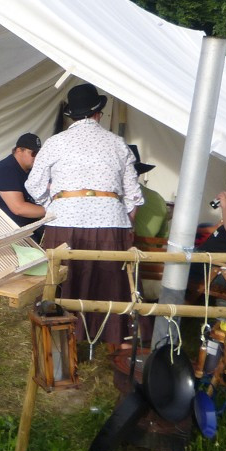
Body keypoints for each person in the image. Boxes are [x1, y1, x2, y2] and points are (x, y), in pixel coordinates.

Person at [25, 83, 144, 348]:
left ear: (72, 114)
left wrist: (54, 203)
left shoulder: (55, 143)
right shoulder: (117, 143)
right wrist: (123, 220)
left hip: (65, 220)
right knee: (110, 279)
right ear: (98, 113)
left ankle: (59, 338)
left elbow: (33, 186)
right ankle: (113, 339)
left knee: (63, 278)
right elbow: (134, 196)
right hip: (110, 221)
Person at [0, 132, 46, 229]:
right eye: (33, 153)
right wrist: (52, 211)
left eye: (40, 153)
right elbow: (19, 208)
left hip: (9, 222)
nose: (37, 157)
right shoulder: (6, 170)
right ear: (19, 151)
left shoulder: (30, 170)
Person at [130, 145, 168, 239]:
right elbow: (163, 235)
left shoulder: (113, 196)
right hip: (148, 252)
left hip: (117, 251)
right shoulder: (157, 198)